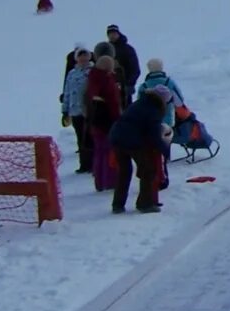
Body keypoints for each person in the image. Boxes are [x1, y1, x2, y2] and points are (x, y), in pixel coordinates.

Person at [108, 89, 168, 214]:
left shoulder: (141, 102)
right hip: (131, 140)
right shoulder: (153, 109)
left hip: (117, 136)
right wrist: (165, 149)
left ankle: (117, 205)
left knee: (124, 171)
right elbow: (154, 134)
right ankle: (145, 204)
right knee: (148, 170)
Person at [84, 55, 123, 192]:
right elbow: (113, 101)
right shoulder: (105, 79)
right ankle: (109, 180)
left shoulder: (93, 77)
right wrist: (118, 118)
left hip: (96, 121)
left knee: (99, 152)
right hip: (107, 121)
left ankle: (100, 181)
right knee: (109, 151)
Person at [61, 48, 93, 173]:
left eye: (85, 56)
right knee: (80, 138)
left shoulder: (92, 71)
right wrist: (65, 109)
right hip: (75, 110)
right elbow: (67, 91)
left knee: (89, 137)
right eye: (81, 56)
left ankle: (93, 163)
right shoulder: (72, 73)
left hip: (88, 110)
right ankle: (84, 164)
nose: (83, 58)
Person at [105, 26, 141, 106]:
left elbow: (135, 69)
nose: (112, 36)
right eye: (110, 34)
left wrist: (130, 84)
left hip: (125, 87)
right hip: (109, 89)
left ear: (118, 34)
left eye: (114, 33)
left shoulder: (128, 49)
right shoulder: (106, 50)